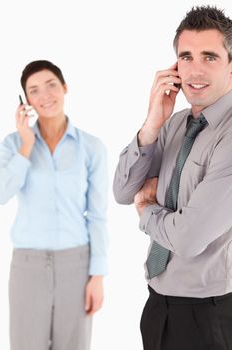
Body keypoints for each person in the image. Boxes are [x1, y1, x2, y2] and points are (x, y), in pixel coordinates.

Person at [113, 5, 232, 350]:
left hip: (208, 316)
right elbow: (122, 191)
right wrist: (152, 124)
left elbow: (189, 239)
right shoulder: (175, 123)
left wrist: (147, 210)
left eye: (209, 57)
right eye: (186, 56)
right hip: (157, 304)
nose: (195, 69)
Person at [0, 60, 108, 350]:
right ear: (26, 101)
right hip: (27, 266)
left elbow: (97, 215)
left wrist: (98, 274)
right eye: (34, 91)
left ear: (64, 87)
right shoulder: (12, 144)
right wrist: (25, 146)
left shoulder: (91, 147)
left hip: (77, 265)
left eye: (51, 85)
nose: (45, 95)